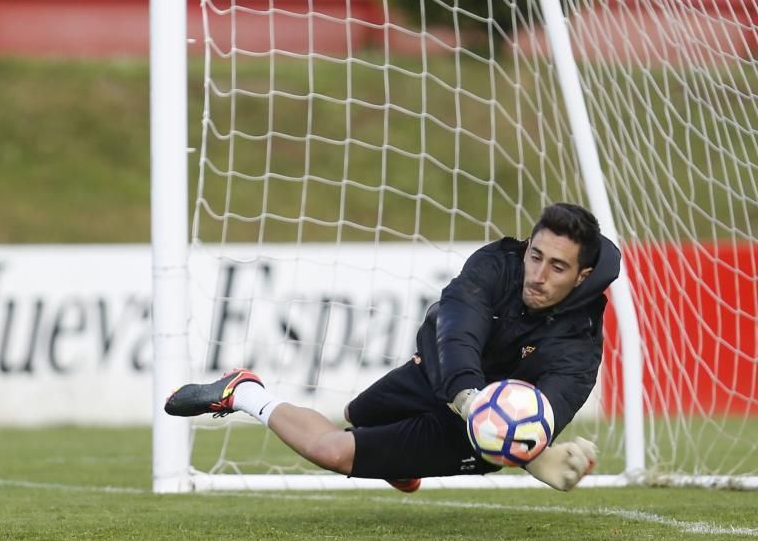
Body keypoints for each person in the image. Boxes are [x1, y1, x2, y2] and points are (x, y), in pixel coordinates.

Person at [165, 202, 621, 492]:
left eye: (557, 267)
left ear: (582, 276)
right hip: (439, 373)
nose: (538, 275)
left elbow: (557, 400)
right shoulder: (495, 264)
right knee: (358, 416)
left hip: (473, 436)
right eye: (535, 256)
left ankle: (243, 393)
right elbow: (457, 327)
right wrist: (470, 397)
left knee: (334, 451)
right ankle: (401, 463)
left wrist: (533, 452)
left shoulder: (579, 341)